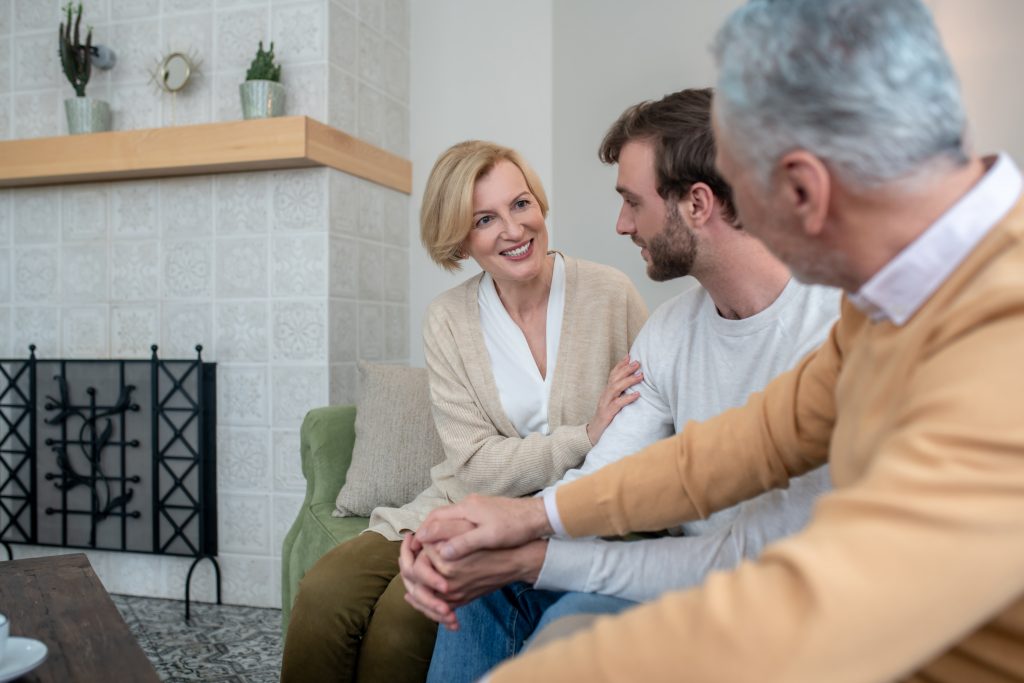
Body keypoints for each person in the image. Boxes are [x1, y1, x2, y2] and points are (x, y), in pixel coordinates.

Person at [411, 0, 1024, 681]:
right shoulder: (886, 307)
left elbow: (812, 598)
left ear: (802, 189)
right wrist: (527, 520)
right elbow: (734, 450)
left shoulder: (1002, 341)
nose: (741, 218)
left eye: (745, 187)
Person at [406, 89, 840, 683]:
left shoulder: (836, 329)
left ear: (697, 204)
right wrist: (480, 538)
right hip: (684, 581)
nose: (620, 224)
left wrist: (529, 551)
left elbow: (756, 557)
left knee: (575, 627)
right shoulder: (669, 332)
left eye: (632, 203)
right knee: (488, 589)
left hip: (793, 601)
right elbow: (601, 482)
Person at [279, 140, 647, 683]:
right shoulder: (448, 319)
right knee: (323, 595)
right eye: (484, 218)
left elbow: (649, 417)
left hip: (564, 512)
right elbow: (475, 466)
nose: (514, 230)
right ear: (460, 237)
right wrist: (586, 433)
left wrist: (598, 445)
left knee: (404, 620)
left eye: (521, 205)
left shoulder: (610, 295)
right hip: (461, 501)